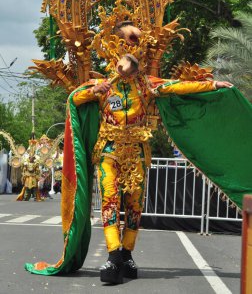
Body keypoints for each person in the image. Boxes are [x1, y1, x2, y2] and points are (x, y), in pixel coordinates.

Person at [71, 20, 232, 284]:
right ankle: (113, 257)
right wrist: (92, 91)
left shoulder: (147, 85)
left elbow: (178, 86)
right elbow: (75, 99)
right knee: (110, 202)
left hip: (136, 152)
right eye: (124, 45)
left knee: (134, 206)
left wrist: (212, 86)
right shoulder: (104, 85)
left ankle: (127, 255)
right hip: (109, 151)